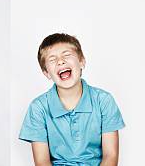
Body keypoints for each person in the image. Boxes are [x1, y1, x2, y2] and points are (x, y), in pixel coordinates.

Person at [19, 32, 124, 166]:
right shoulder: (38, 107)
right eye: (52, 59)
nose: (60, 61)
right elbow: (42, 162)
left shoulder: (104, 100)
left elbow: (111, 156)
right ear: (46, 73)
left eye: (67, 55)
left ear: (81, 61)